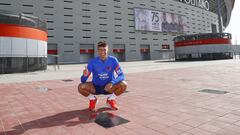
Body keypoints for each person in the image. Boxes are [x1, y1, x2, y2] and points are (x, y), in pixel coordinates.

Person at [78, 41, 127, 111]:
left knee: (124, 84)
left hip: (109, 87)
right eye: (100, 50)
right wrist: (84, 75)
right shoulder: (92, 62)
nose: (102, 52)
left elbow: (122, 76)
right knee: (81, 87)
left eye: (104, 50)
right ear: (97, 51)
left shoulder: (113, 60)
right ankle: (93, 99)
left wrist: (112, 82)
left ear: (108, 50)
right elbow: (83, 81)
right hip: (96, 87)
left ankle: (111, 99)